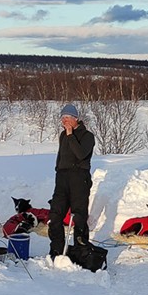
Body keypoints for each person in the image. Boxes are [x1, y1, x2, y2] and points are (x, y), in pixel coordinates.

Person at [47, 103, 96, 258]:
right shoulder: (63, 135)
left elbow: (81, 154)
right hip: (62, 179)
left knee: (79, 216)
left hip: (79, 179)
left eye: (67, 117)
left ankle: (82, 251)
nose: (65, 121)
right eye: (63, 118)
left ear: (76, 119)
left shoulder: (87, 136)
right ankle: (57, 249)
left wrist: (70, 135)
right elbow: (61, 155)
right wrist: (58, 169)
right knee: (55, 215)